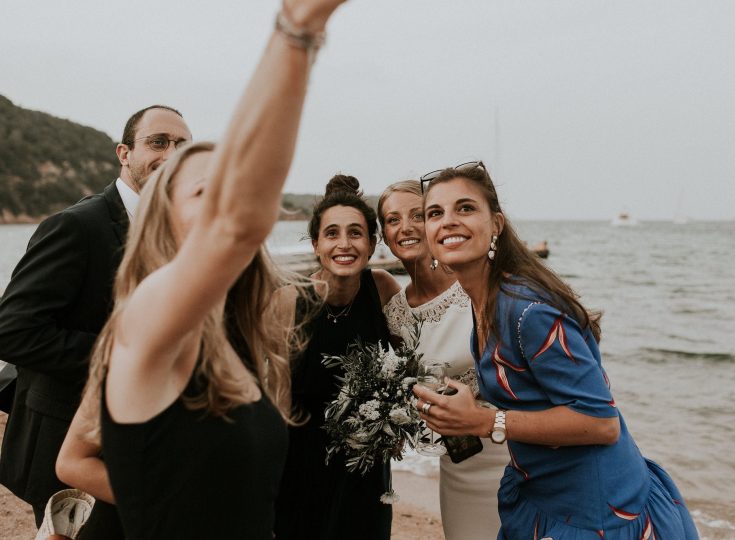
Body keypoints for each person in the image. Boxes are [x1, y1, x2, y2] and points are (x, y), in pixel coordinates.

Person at [60, 1, 347, 538]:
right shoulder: (143, 320)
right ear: (162, 222)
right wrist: (298, 29)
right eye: (204, 190)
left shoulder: (235, 337)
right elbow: (239, 221)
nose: (226, 196)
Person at [412, 162, 699, 539]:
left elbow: (601, 423)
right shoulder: (483, 302)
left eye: (465, 208)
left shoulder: (528, 311)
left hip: (597, 513)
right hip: (547, 495)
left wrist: (483, 422)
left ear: (495, 224)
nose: (448, 221)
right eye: (436, 213)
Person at [0, 103, 191, 528]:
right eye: (158, 142)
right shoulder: (76, 226)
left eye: (181, 145)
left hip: (150, 443)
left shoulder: (183, 232)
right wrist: (124, 361)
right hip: (69, 446)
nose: (171, 154)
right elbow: (13, 331)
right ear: (124, 154)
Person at [378, 180, 508, 540]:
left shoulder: (473, 283)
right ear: (383, 235)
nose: (405, 227)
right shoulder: (393, 308)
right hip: (457, 461)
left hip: (512, 450)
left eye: (418, 215)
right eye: (392, 220)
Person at [274, 174, 400, 540]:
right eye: (331, 234)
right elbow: (277, 397)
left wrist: (397, 424)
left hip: (365, 464)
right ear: (316, 244)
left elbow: (413, 367)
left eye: (355, 233)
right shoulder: (290, 300)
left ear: (373, 243)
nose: (344, 244)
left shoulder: (383, 289)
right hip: (299, 463)